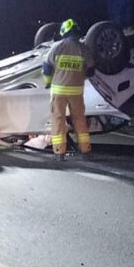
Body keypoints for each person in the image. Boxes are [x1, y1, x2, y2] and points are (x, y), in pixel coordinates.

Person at [42, 18, 95, 161]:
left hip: (58, 91)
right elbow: (91, 71)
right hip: (77, 92)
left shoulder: (57, 47)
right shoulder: (83, 49)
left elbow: (46, 68)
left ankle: (60, 152)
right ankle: (85, 150)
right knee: (79, 121)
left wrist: (48, 83)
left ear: (64, 32)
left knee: (58, 120)